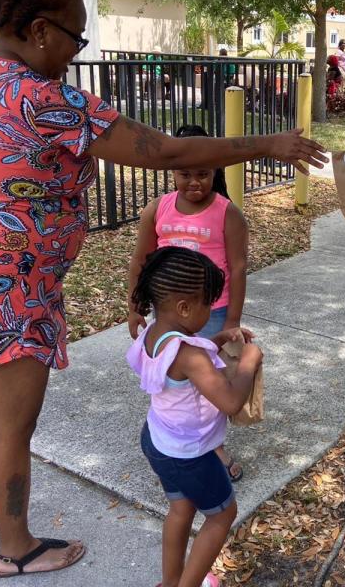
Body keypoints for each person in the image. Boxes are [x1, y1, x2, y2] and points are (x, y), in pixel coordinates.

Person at [0, 0, 325, 587]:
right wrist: (265, 144)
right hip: (4, 295)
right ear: (39, 30)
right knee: (10, 429)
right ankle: (15, 548)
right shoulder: (47, 99)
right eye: (74, 38)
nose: (73, 53)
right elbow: (166, 152)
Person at [127, 247, 262, 587]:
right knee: (221, 516)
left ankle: (171, 582)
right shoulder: (190, 355)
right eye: (209, 304)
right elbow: (230, 401)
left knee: (181, 510)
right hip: (190, 454)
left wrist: (214, 342)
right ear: (185, 307)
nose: (211, 310)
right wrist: (249, 361)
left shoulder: (154, 333)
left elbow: (180, 369)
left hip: (158, 440)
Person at [127, 124, 248, 482]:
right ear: (172, 171)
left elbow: (238, 268)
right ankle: (176, 437)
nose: (193, 182)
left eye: (202, 173)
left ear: (215, 172)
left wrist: (232, 322)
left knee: (208, 383)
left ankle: (211, 447)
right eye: (184, 174)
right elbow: (140, 260)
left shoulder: (227, 213)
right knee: (174, 378)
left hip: (210, 312)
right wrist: (135, 306)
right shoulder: (157, 208)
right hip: (164, 312)